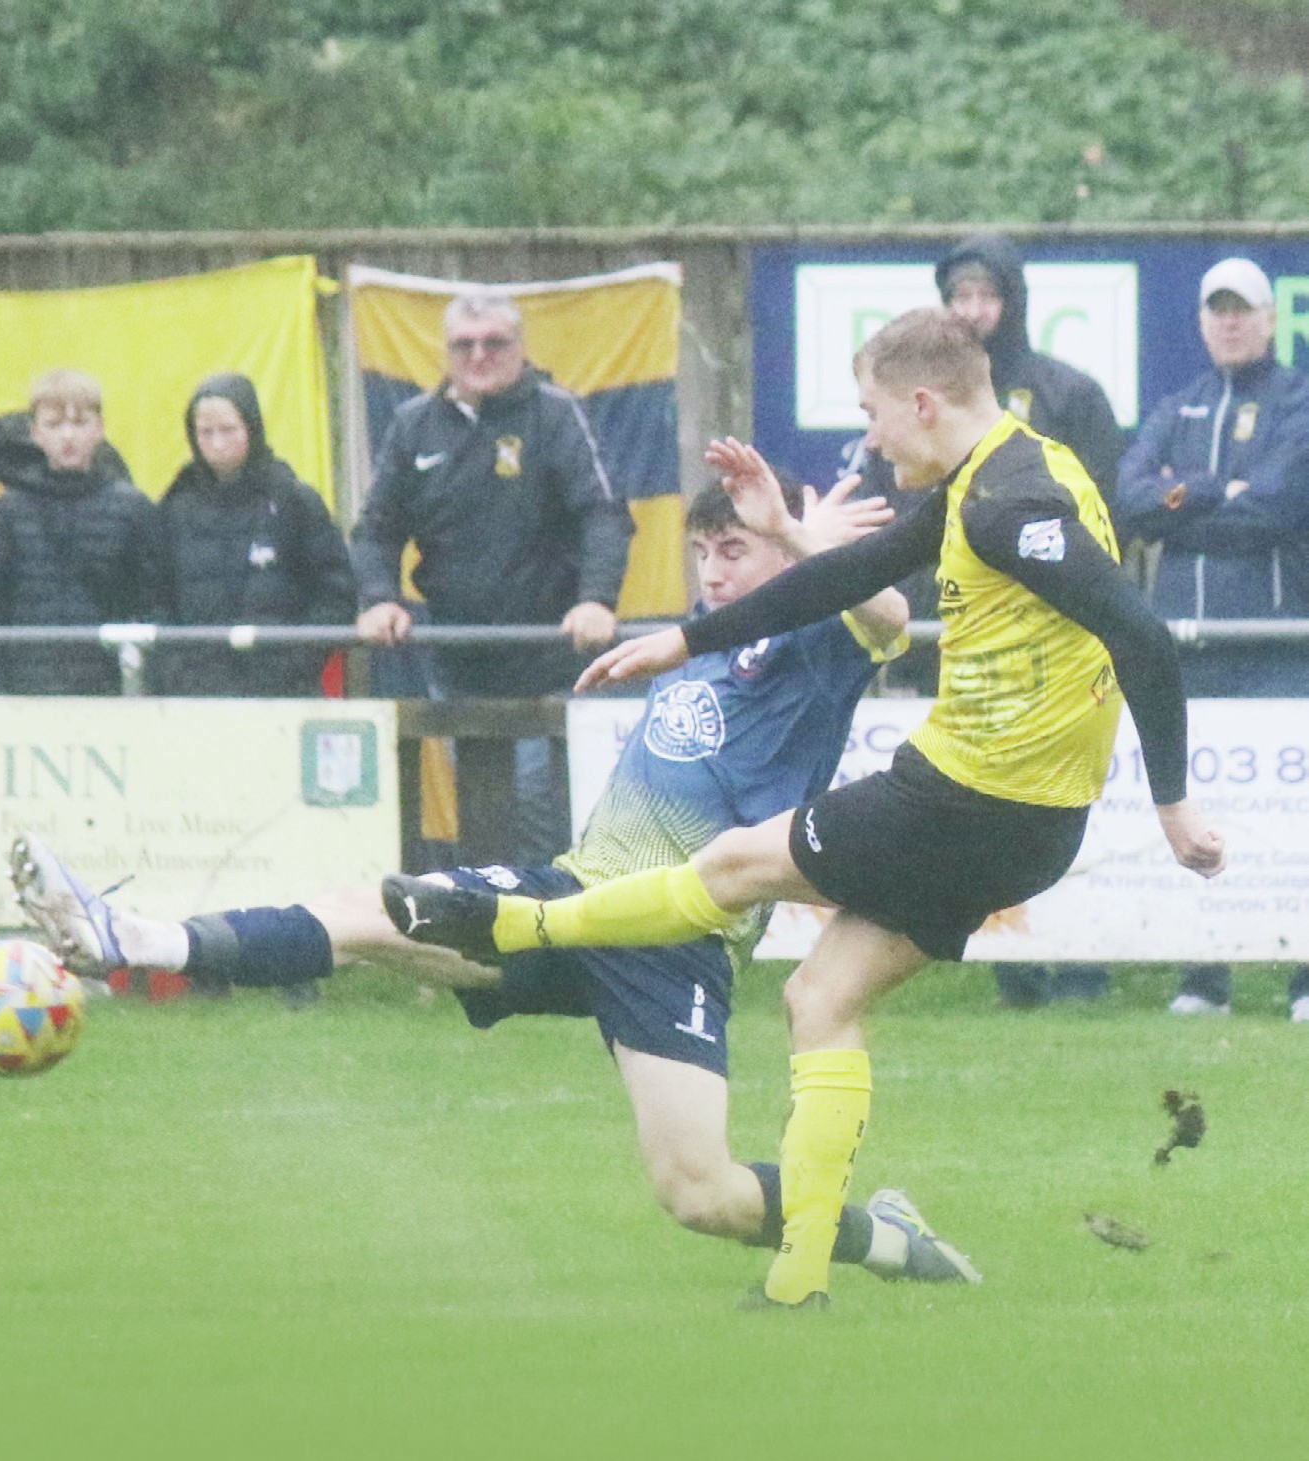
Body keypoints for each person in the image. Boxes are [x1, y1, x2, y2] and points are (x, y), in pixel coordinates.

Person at [383, 308, 1225, 1310]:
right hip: (1033, 825)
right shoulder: (1003, 471)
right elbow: (846, 572)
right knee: (819, 999)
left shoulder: (1005, 505)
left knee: (733, 863)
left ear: (923, 402)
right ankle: (799, 1277)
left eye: (872, 412)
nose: (870, 438)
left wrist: (1173, 804)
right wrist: (687, 640)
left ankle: (514, 923)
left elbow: (1142, 634)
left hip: (962, 799)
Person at [10, 465, 981, 1291]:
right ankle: (136, 939)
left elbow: (889, 615)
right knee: (374, 913)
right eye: (702, 551)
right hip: (569, 898)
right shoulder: (699, 643)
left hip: (675, 942)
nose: (713, 570)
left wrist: (798, 537)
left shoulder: (814, 644)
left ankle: (880, 1233)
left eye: (735, 550)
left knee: (700, 1194)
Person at [853, 236, 1128, 1008]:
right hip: (949, 630)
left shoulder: (1068, 393)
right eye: (961, 296)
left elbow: (1101, 515)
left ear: (1015, 300)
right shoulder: (908, 406)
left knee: (1051, 800)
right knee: (969, 801)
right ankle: (1012, 970)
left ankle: (1083, 969)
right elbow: (899, 516)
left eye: (988, 295)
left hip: (1055, 643)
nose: (975, 310)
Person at [350, 291, 634, 864]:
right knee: (485, 821)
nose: (479, 355)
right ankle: (496, 917)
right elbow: (374, 530)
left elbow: (604, 515)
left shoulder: (556, 414)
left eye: (494, 343)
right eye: (464, 345)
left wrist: (597, 599)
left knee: (540, 810)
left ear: (521, 347)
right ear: (446, 351)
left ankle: (556, 914)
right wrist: (379, 597)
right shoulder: (413, 424)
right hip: (459, 659)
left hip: (551, 657)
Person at [1115, 255, 1309, 1020]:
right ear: (1201, 321)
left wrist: (1180, 512)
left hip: (1277, 647)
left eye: (1243, 309)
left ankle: (1304, 977)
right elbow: (1133, 500)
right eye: (1217, 310)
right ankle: (1203, 977)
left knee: (1294, 817)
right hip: (1188, 653)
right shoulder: (1179, 405)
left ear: (1269, 319)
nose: (1230, 323)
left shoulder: (1298, 399)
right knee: (1198, 811)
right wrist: (1205, 490)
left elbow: (1278, 508)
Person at [147, 372, 356, 699]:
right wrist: (178, 672)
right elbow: (154, 600)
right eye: (205, 432)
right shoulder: (174, 507)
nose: (217, 443)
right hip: (196, 696)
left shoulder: (293, 501)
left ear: (251, 427)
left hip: (284, 694)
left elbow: (336, 595)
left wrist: (295, 662)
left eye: (228, 430)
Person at [0, 368, 157, 698]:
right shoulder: (6, 512)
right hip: (24, 689)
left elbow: (151, 608)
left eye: (79, 423)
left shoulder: (133, 510)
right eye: (54, 424)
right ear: (35, 433)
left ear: (100, 429)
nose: (68, 436)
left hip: (106, 690)